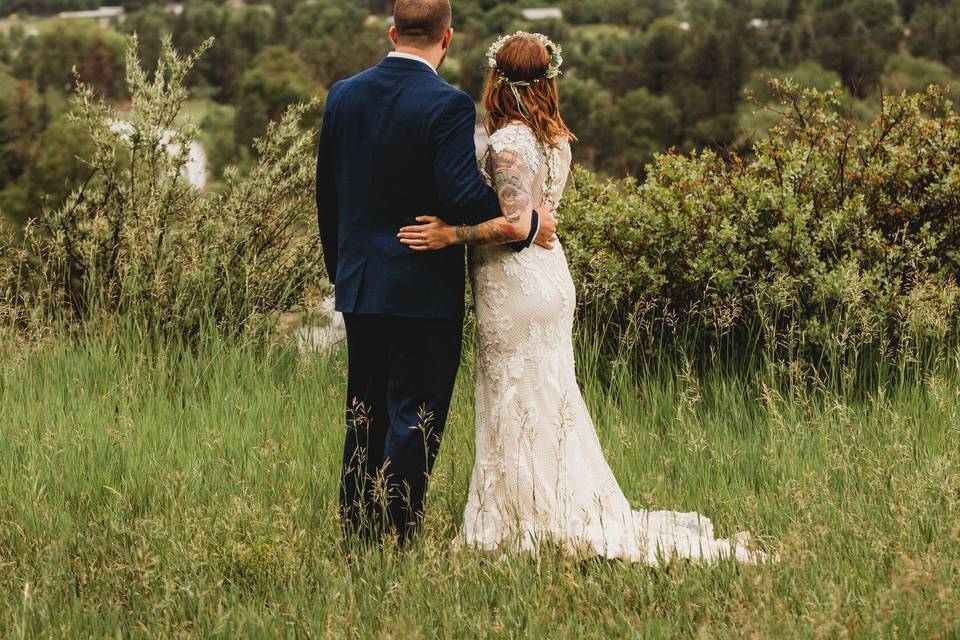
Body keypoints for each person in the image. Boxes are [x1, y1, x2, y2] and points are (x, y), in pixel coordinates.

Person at [398, 32, 765, 564]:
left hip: (515, 282)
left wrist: (450, 235)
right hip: (548, 276)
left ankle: (523, 519)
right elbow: (536, 216)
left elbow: (516, 220)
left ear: (497, 80)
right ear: (549, 81)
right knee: (548, 396)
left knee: (516, 396)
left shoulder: (510, 143)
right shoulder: (555, 140)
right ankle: (547, 505)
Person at [316, 0, 557, 544]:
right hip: (423, 287)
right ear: (447, 38)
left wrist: (343, 272)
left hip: (360, 286)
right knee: (415, 415)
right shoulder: (447, 105)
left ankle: (357, 531)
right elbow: (460, 194)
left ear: (392, 30)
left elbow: (327, 195)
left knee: (364, 413)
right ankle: (398, 535)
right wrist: (519, 214)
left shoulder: (343, 96)